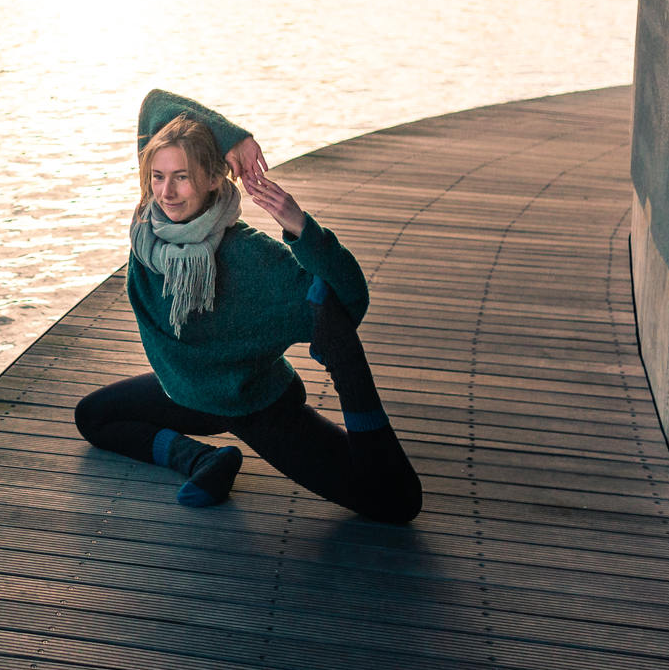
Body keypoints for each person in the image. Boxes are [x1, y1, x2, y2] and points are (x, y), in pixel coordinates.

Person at [72, 89, 422, 523]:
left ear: (214, 180)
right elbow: (155, 105)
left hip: (253, 403)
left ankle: (350, 374)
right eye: (158, 177)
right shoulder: (150, 231)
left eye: (182, 176)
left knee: (394, 503)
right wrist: (231, 137)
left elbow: (350, 298)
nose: (167, 192)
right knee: (93, 417)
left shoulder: (251, 258)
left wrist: (301, 226)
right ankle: (203, 460)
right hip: (184, 390)